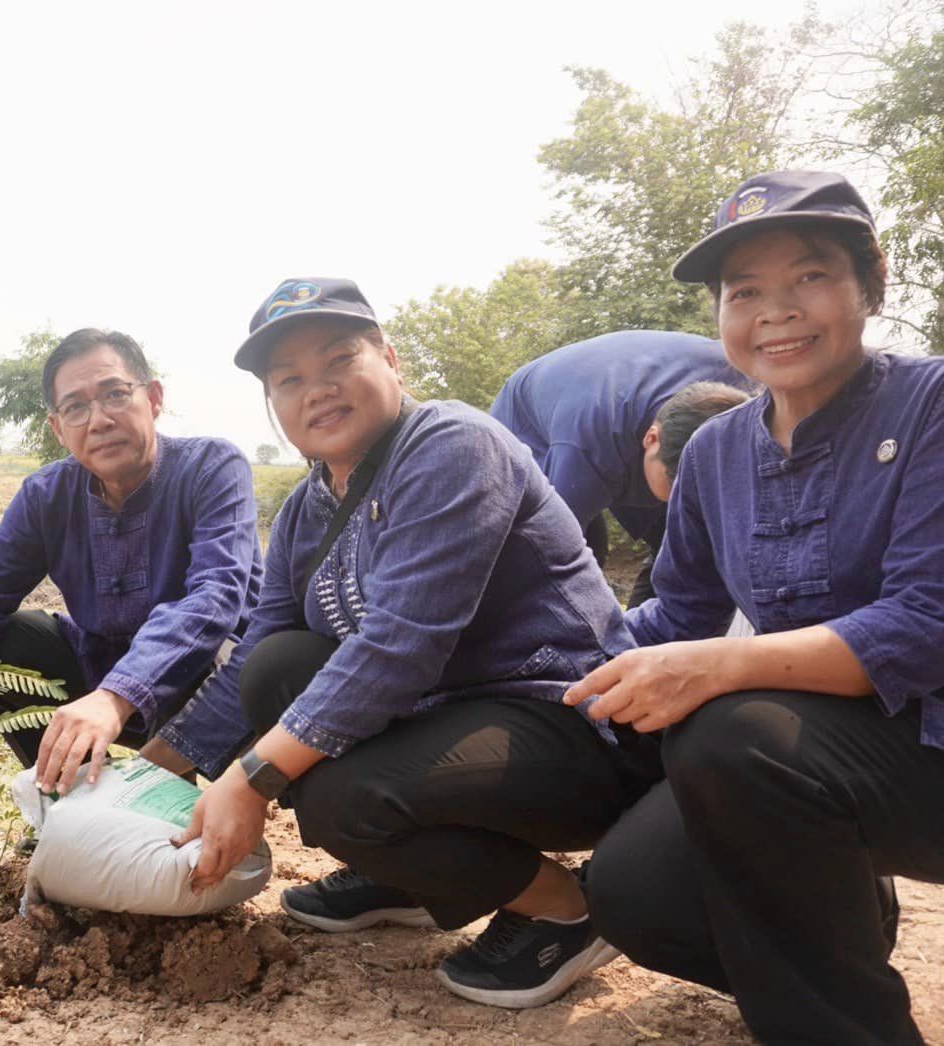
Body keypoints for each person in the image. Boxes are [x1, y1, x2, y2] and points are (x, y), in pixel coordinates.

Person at [135, 277, 661, 1009]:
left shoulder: (453, 445)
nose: (316, 389)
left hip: (567, 724)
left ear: (389, 357)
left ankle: (565, 909)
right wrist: (149, 772)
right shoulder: (304, 510)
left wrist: (251, 777)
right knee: (275, 666)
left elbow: (396, 648)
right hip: (444, 726)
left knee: (343, 801)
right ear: (273, 404)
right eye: (289, 379)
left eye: (337, 360)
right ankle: (409, 876)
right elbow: (258, 649)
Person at [572, 171, 944, 1045]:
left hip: (927, 742)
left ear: (870, 284)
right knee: (638, 893)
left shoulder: (930, 403)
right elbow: (676, 614)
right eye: (744, 292)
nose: (774, 311)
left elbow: (928, 623)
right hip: (810, 760)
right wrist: (554, 661)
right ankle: (838, 923)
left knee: (728, 731)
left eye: (808, 276)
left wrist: (723, 666)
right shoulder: (714, 454)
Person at [0, 327, 262, 824]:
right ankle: (77, 811)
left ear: (153, 398)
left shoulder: (212, 467)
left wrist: (117, 695)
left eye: (115, 394)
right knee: (11, 638)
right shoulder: (47, 496)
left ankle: (167, 819)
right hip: (97, 673)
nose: (99, 420)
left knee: (200, 651)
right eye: (76, 407)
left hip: (221, 687)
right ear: (58, 429)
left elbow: (214, 600)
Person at [489, 332, 751, 604]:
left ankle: (651, 637)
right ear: (652, 439)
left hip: (637, 400)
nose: (688, 504)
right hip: (532, 426)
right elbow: (547, 550)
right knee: (576, 547)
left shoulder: (759, 390)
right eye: (677, 488)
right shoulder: (589, 443)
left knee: (689, 550)